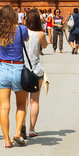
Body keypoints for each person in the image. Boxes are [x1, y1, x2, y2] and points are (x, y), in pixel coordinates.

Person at [0, 4, 31, 147]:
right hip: (18, 68)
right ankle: (17, 133)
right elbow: (26, 39)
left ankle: (7, 140)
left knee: (4, 107)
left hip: (3, 68)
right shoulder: (21, 29)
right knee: (21, 104)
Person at [24, 8, 48, 138]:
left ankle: (21, 125)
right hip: (36, 70)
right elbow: (45, 46)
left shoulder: (21, 33)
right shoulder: (40, 34)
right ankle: (32, 129)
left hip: (22, 70)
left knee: (23, 102)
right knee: (34, 101)